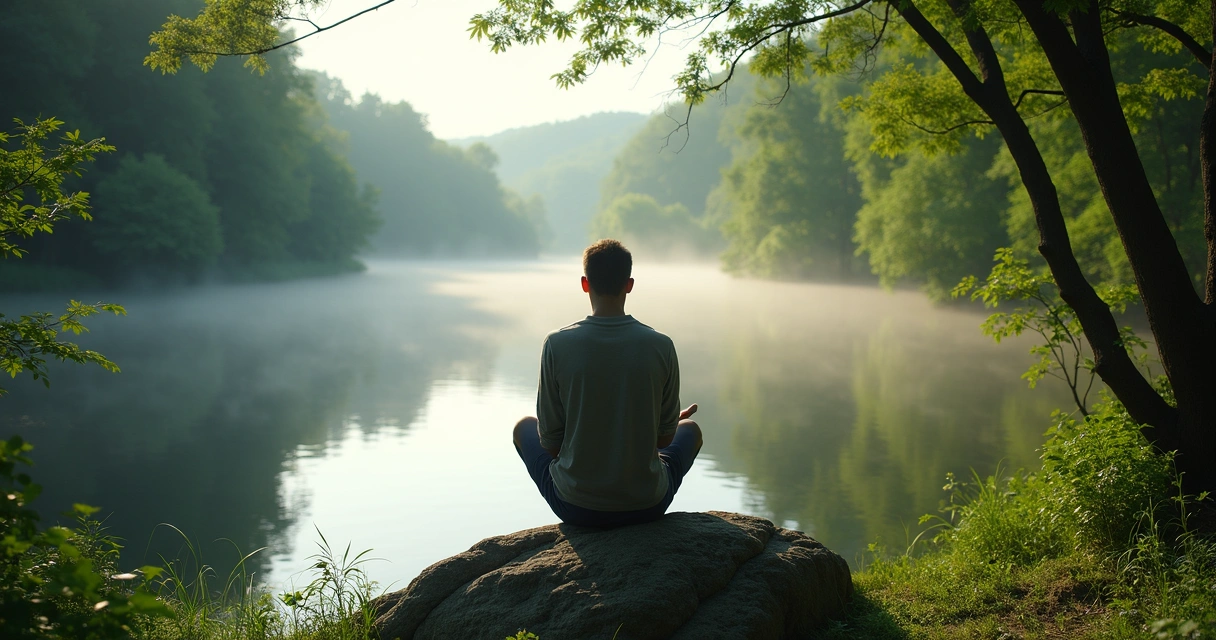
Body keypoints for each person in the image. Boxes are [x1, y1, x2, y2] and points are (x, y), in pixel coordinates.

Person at [512, 239, 703, 527]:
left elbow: (550, 446)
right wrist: (659, 423)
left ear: (585, 284)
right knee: (690, 430)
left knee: (524, 426)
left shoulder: (557, 344)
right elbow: (664, 441)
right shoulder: (661, 345)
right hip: (647, 505)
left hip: (576, 506)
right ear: (629, 284)